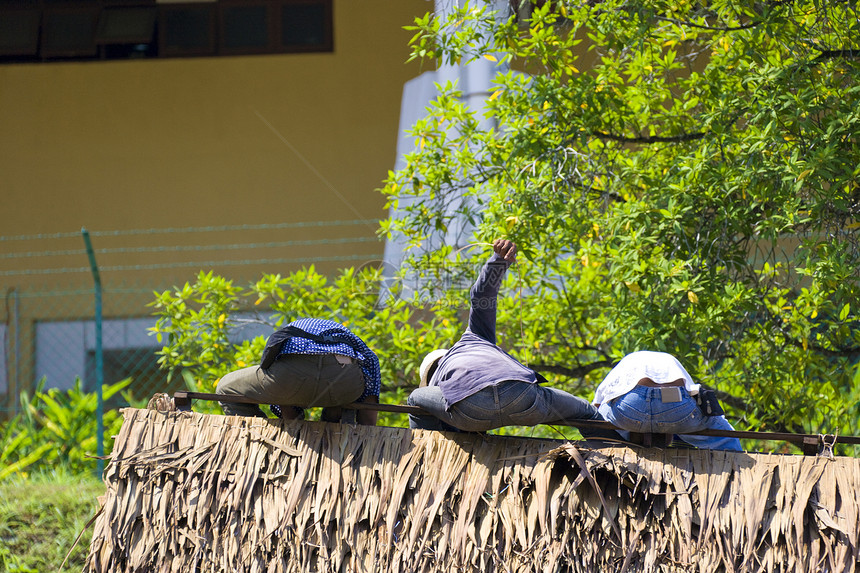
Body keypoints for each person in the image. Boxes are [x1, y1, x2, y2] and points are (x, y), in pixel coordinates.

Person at [408, 239, 618, 440]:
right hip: (521, 395)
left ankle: (426, 457)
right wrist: (498, 261)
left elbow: (481, 296)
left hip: (470, 410)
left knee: (416, 400)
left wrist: (498, 261)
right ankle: (620, 455)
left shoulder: (442, 375)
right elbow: (482, 298)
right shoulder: (475, 337)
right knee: (585, 412)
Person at [216, 317, 380, 425]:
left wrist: (289, 414)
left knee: (225, 388)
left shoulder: (291, 332)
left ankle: (263, 435)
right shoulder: (347, 336)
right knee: (348, 398)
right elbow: (372, 362)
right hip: (344, 377)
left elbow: (270, 363)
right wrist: (369, 431)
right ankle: (336, 420)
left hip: (291, 373)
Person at [592, 350, 742, 451]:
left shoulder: (629, 360)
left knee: (604, 412)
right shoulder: (669, 360)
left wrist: (607, 425)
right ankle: (737, 467)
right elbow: (692, 392)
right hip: (672, 398)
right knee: (723, 434)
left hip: (632, 399)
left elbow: (597, 405)